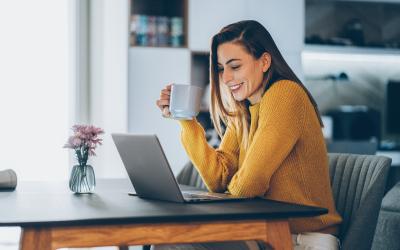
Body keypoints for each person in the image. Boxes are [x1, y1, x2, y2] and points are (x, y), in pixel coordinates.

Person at [156, 20, 342, 250]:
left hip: (303, 240)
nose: (225, 78)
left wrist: (229, 191)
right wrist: (185, 120)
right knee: (168, 241)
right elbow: (217, 179)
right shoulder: (244, 111)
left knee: (173, 244)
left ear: (264, 61)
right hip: (263, 232)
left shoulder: (285, 94)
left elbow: (248, 186)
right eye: (221, 68)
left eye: (235, 66)